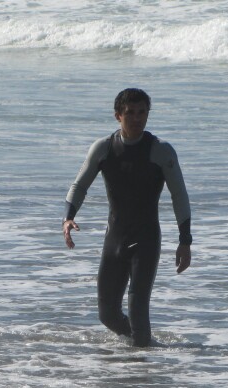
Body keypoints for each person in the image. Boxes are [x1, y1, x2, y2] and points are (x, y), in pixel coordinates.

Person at [62, 88, 192, 347]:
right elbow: (79, 186)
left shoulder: (161, 151)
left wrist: (184, 240)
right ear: (117, 116)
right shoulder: (103, 148)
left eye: (142, 112)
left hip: (146, 240)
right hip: (115, 240)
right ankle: (142, 354)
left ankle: (142, 375)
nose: (137, 118)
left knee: (138, 311)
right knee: (107, 314)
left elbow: (180, 196)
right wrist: (68, 218)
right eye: (130, 113)